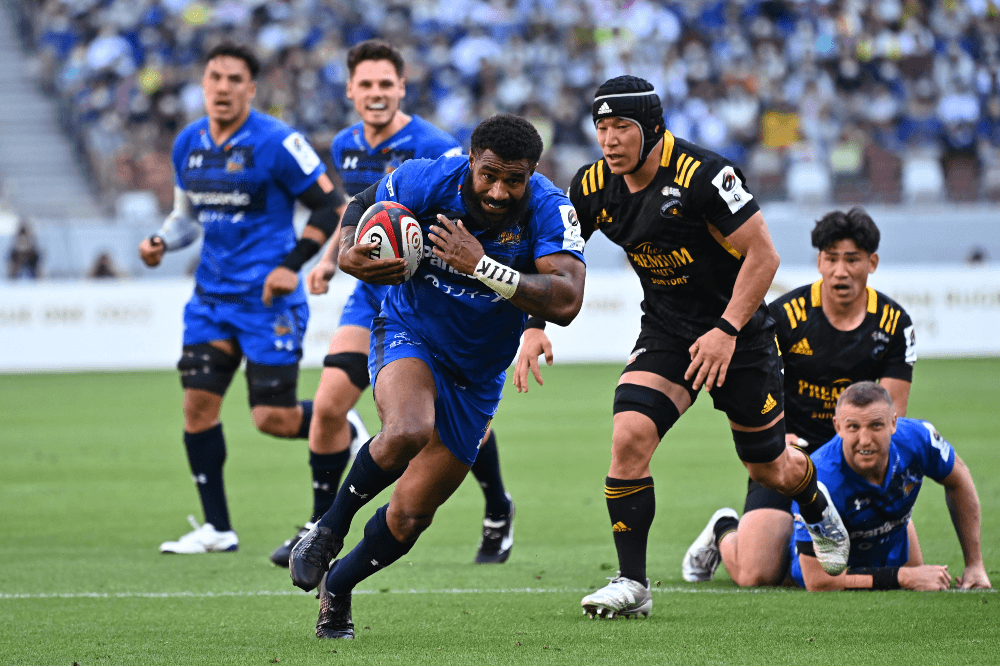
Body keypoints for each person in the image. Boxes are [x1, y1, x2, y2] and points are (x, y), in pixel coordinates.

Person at [519, 74, 849, 619]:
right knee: (629, 435)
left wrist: (726, 330)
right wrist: (536, 324)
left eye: (621, 126)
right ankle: (633, 584)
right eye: (601, 127)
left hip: (739, 338)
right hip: (668, 332)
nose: (609, 140)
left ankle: (813, 499)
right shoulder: (594, 184)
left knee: (768, 468)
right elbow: (556, 254)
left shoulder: (706, 175)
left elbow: (763, 257)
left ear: (652, 128)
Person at [287, 113, 586, 639]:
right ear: (471, 160)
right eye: (488, 174)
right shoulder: (429, 178)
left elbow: (567, 298)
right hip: (411, 332)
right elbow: (360, 206)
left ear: (531, 174)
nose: (497, 191)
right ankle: (327, 528)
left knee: (409, 517)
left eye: (512, 180)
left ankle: (338, 587)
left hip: (478, 375)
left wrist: (482, 265)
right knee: (407, 429)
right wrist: (351, 255)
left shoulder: (549, 208)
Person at [269, 40, 517, 568]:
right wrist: (330, 260)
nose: (377, 93)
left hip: (427, 296)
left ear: (401, 88)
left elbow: (464, 214)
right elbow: (351, 210)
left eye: (387, 84)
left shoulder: (436, 144)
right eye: (367, 85)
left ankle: (497, 506)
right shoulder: (344, 144)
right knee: (330, 405)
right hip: (369, 288)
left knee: (455, 421)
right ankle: (318, 530)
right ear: (351, 90)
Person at [138, 43, 344, 554]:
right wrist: (163, 241)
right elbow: (188, 215)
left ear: (251, 88)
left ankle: (343, 423)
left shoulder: (278, 142)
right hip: (210, 300)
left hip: (267, 302)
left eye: (234, 79)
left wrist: (289, 267)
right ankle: (218, 529)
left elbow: (329, 207)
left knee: (270, 419)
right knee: (196, 409)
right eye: (215, 77)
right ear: (202, 84)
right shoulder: (188, 142)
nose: (223, 87)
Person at [683, 207, 918, 587]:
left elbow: (894, 413)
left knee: (894, 559)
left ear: (871, 263)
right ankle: (725, 529)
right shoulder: (786, 316)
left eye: (852, 260)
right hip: (789, 459)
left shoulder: (893, 323)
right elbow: (758, 389)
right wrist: (778, 437)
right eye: (831, 259)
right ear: (819, 262)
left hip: (854, 462)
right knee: (756, 575)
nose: (841, 271)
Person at [789, 381, 990, 591]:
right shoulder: (819, 477)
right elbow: (818, 580)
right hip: (836, 572)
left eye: (876, 425)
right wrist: (903, 577)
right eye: (853, 427)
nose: (865, 440)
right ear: (838, 426)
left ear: (893, 423)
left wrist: (975, 564)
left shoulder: (918, 438)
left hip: (891, 546)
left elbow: (959, 480)